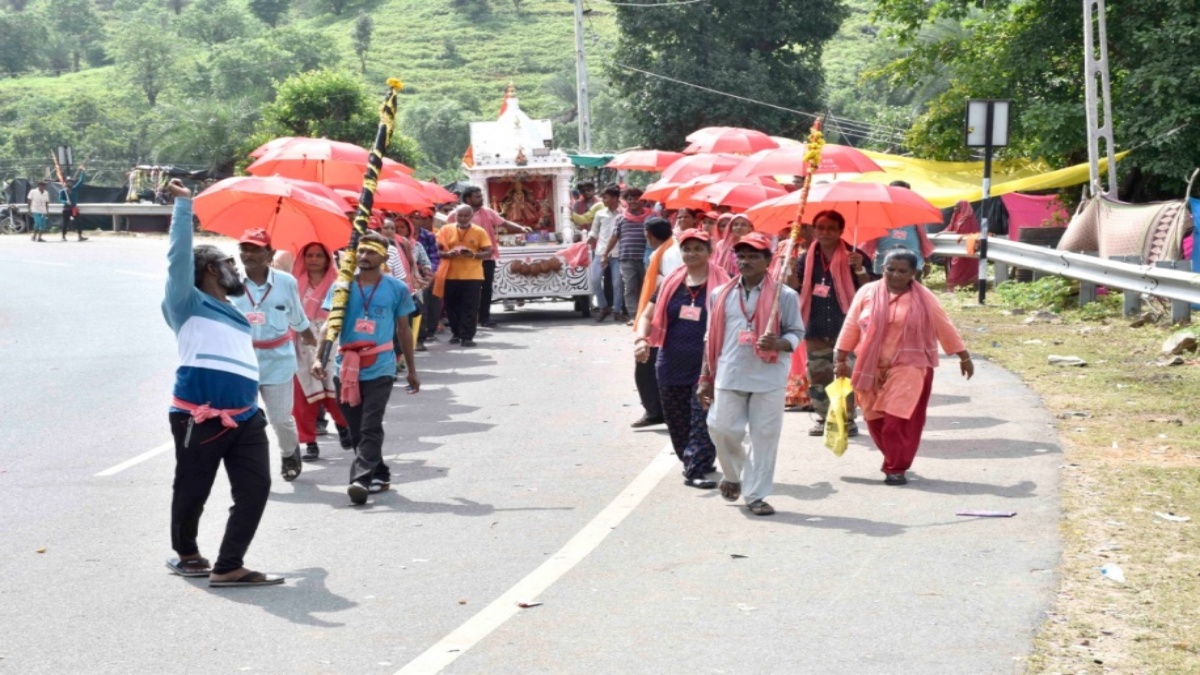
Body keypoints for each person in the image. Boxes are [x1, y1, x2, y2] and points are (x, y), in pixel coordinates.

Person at [160, 178, 283, 587]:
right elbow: (178, 260)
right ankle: (188, 553)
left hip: (246, 416)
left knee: (257, 488)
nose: (237, 268)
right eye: (231, 262)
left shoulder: (233, 310)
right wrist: (183, 207)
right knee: (193, 487)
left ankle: (230, 565)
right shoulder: (186, 302)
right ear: (212, 269)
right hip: (200, 417)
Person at [834, 249, 974, 485]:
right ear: (882, 269)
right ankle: (893, 456)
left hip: (910, 365)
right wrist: (839, 358)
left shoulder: (925, 297)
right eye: (890, 269)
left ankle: (895, 467)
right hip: (870, 366)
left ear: (914, 273)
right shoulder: (867, 292)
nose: (895, 275)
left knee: (896, 420)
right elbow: (851, 325)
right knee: (874, 418)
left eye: (902, 271)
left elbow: (944, 326)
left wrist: (963, 356)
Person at [697, 232, 804, 517]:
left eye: (753, 256)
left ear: (768, 261)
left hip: (768, 376)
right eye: (741, 255)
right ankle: (732, 475)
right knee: (721, 429)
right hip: (729, 372)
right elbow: (710, 337)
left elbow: (797, 332)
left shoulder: (786, 295)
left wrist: (780, 343)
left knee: (765, 437)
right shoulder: (720, 294)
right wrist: (704, 377)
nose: (745, 261)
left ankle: (756, 495)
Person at [311, 231, 420, 505]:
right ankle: (380, 472)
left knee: (371, 424)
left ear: (384, 256)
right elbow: (328, 325)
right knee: (357, 428)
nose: (364, 256)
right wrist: (318, 357)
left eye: (371, 252)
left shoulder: (396, 288)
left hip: (381, 366)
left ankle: (360, 479)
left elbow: (404, 330)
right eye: (360, 251)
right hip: (345, 368)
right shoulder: (342, 286)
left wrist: (412, 369)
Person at [635, 229, 730, 487]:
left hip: (708, 365)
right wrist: (641, 340)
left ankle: (695, 470)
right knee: (678, 423)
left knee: (702, 419)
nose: (692, 253)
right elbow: (646, 315)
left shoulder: (725, 285)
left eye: (698, 248)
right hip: (670, 362)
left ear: (710, 252)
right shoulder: (669, 283)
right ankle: (693, 460)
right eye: (687, 249)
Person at [231, 229, 318, 477]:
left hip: (278, 360)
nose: (248, 254)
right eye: (244, 249)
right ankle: (248, 467)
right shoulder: (230, 283)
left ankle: (289, 452)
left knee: (281, 419)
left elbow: (296, 314)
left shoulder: (285, 282)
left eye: (255, 249)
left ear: (269, 253)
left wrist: (311, 341)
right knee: (241, 420)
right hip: (242, 363)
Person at [796, 210, 875, 437]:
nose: (825, 233)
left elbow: (869, 290)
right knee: (819, 374)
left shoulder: (855, 255)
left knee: (846, 374)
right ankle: (824, 417)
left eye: (831, 228)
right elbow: (796, 289)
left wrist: (859, 268)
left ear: (841, 231)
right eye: (820, 228)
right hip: (816, 325)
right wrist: (790, 272)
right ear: (814, 230)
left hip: (847, 327)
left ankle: (847, 419)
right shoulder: (805, 259)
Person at [291, 241, 353, 461]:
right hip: (301, 341)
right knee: (302, 395)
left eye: (319, 255)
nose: (314, 260)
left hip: (332, 340)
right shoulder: (293, 284)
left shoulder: (340, 284)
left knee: (335, 390)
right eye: (309, 255)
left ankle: (344, 425)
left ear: (328, 259)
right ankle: (309, 442)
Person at [626, 217, 681, 429]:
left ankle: (655, 410)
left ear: (649, 235)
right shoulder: (668, 250)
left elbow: (672, 284)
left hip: (662, 314)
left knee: (647, 364)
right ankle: (657, 409)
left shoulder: (669, 253)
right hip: (658, 311)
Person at [461, 185, 531, 329]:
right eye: (477, 197)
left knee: (486, 288)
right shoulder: (458, 214)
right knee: (468, 289)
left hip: (486, 256)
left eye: (481, 196)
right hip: (466, 258)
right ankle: (468, 319)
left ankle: (485, 318)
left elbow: (503, 222)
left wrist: (520, 228)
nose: (481, 199)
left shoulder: (486, 211)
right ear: (468, 199)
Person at [435, 204, 492, 347]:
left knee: (470, 307)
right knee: (452, 307)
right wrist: (448, 254)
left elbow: (488, 252)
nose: (463, 218)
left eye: (466, 216)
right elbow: (436, 251)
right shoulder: (445, 230)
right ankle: (456, 333)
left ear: (471, 216)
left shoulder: (479, 231)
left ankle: (467, 337)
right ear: (455, 216)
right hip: (450, 274)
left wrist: (473, 255)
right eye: (460, 215)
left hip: (472, 275)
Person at [859, 181, 936, 277]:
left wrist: (927, 263)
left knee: (911, 291)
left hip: (912, 265)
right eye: (894, 192)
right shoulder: (879, 212)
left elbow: (923, 240)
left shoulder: (916, 213)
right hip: (883, 264)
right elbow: (868, 240)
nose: (899, 195)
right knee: (883, 291)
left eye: (903, 192)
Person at [601, 187, 651, 325]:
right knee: (630, 287)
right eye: (630, 199)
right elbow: (614, 237)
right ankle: (634, 316)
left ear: (643, 201)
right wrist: (605, 253)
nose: (633, 201)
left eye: (636, 199)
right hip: (626, 259)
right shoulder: (620, 218)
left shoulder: (650, 218)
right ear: (626, 201)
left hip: (646, 258)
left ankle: (645, 315)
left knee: (645, 287)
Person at [587, 184, 624, 322]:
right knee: (595, 281)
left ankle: (617, 310)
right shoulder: (600, 213)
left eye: (606, 197)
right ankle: (604, 307)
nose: (603, 200)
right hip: (600, 252)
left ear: (615, 198)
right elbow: (594, 230)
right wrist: (589, 238)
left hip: (618, 253)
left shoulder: (624, 214)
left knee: (617, 284)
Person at [412, 209, 442, 349]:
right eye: (411, 217)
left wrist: (429, 274)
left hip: (426, 273)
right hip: (407, 275)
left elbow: (434, 257)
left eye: (417, 217)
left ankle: (424, 336)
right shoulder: (400, 237)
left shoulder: (428, 236)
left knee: (428, 303)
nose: (414, 220)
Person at [57, 168, 87, 241]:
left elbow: (81, 181)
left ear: (72, 183)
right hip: (66, 209)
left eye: (71, 182)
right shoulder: (63, 191)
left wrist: (82, 172)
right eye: (68, 182)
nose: (70, 183)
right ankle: (63, 236)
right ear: (66, 183)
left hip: (74, 208)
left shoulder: (75, 189)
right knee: (65, 223)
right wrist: (65, 202)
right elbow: (60, 199)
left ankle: (80, 236)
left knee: (79, 222)